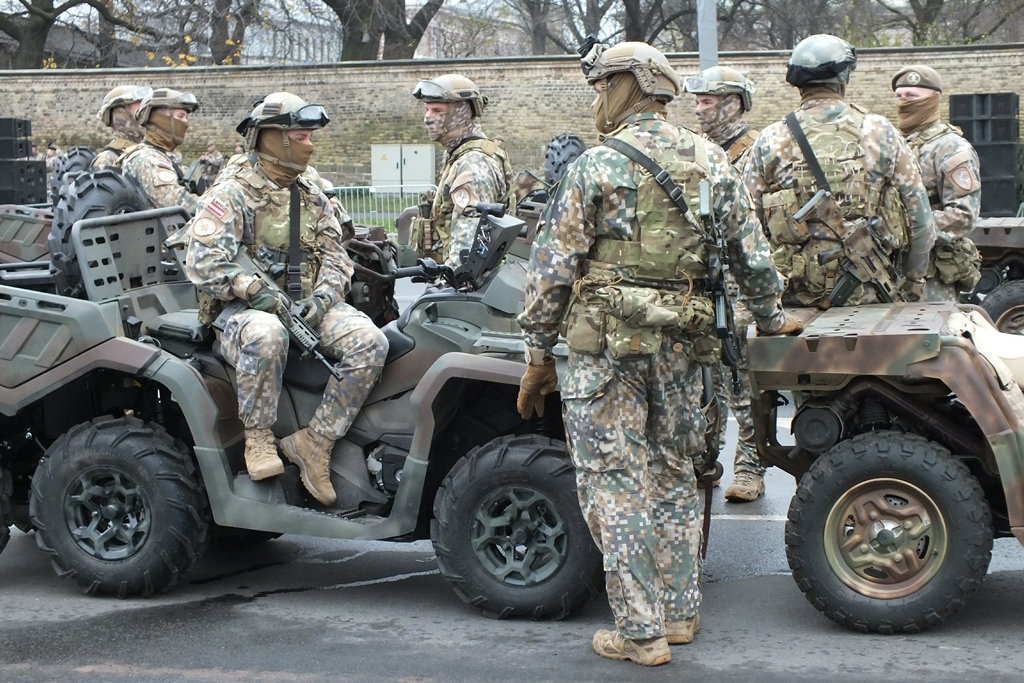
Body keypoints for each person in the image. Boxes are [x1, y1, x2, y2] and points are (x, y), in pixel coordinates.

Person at [517, 41, 801, 666]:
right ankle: (678, 614)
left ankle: (638, 631)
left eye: (601, 86)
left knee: (614, 482)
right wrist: (775, 318)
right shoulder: (711, 159)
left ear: (626, 87)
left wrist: (537, 351)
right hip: (685, 347)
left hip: (606, 352)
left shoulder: (594, 166)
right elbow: (752, 258)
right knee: (675, 474)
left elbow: (551, 272)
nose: (596, 98)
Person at [181, 92, 388, 506]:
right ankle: (257, 439)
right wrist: (250, 289)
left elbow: (337, 258)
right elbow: (201, 260)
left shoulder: (311, 191)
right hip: (241, 313)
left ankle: (315, 443)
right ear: (273, 139)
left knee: (371, 342)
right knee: (268, 334)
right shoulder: (233, 193)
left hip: (304, 303)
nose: (311, 143)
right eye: (302, 135)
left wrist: (324, 299)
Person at [743, 34, 937, 308]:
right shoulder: (880, 132)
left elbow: (746, 225)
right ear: (844, 76)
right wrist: (914, 281)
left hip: (794, 300)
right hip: (870, 298)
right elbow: (920, 221)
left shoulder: (770, 138)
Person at [684, 66, 763, 502]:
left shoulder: (754, 153)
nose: (698, 110)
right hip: (701, 280)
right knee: (702, 376)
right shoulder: (695, 152)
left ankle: (750, 465)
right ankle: (704, 459)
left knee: (740, 377)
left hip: (739, 284)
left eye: (707, 101)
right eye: (696, 102)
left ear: (734, 102)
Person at [892, 65, 982, 301]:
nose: (903, 102)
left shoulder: (950, 147)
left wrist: (907, 230)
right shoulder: (895, 144)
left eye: (912, 96)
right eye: (899, 96)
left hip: (931, 277)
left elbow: (964, 214)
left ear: (932, 100)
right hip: (893, 271)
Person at [411, 74, 514, 267]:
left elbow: (468, 249)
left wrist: (449, 288)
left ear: (461, 113)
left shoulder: (473, 164)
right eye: (427, 109)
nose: (427, 118)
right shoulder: (458, 154)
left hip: (462, 286)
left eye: (437, 110)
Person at [119, 88, 201, 212]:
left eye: (186, 117)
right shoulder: (147, 159)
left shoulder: (163, 156)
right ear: (161, 120)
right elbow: (176, 202)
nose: (186, 122)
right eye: (181, 116)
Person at [92, 85, 152, 170]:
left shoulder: (154, 152)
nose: (146, 114)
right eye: (140, 109)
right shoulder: (108, 159)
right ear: (120, 113)